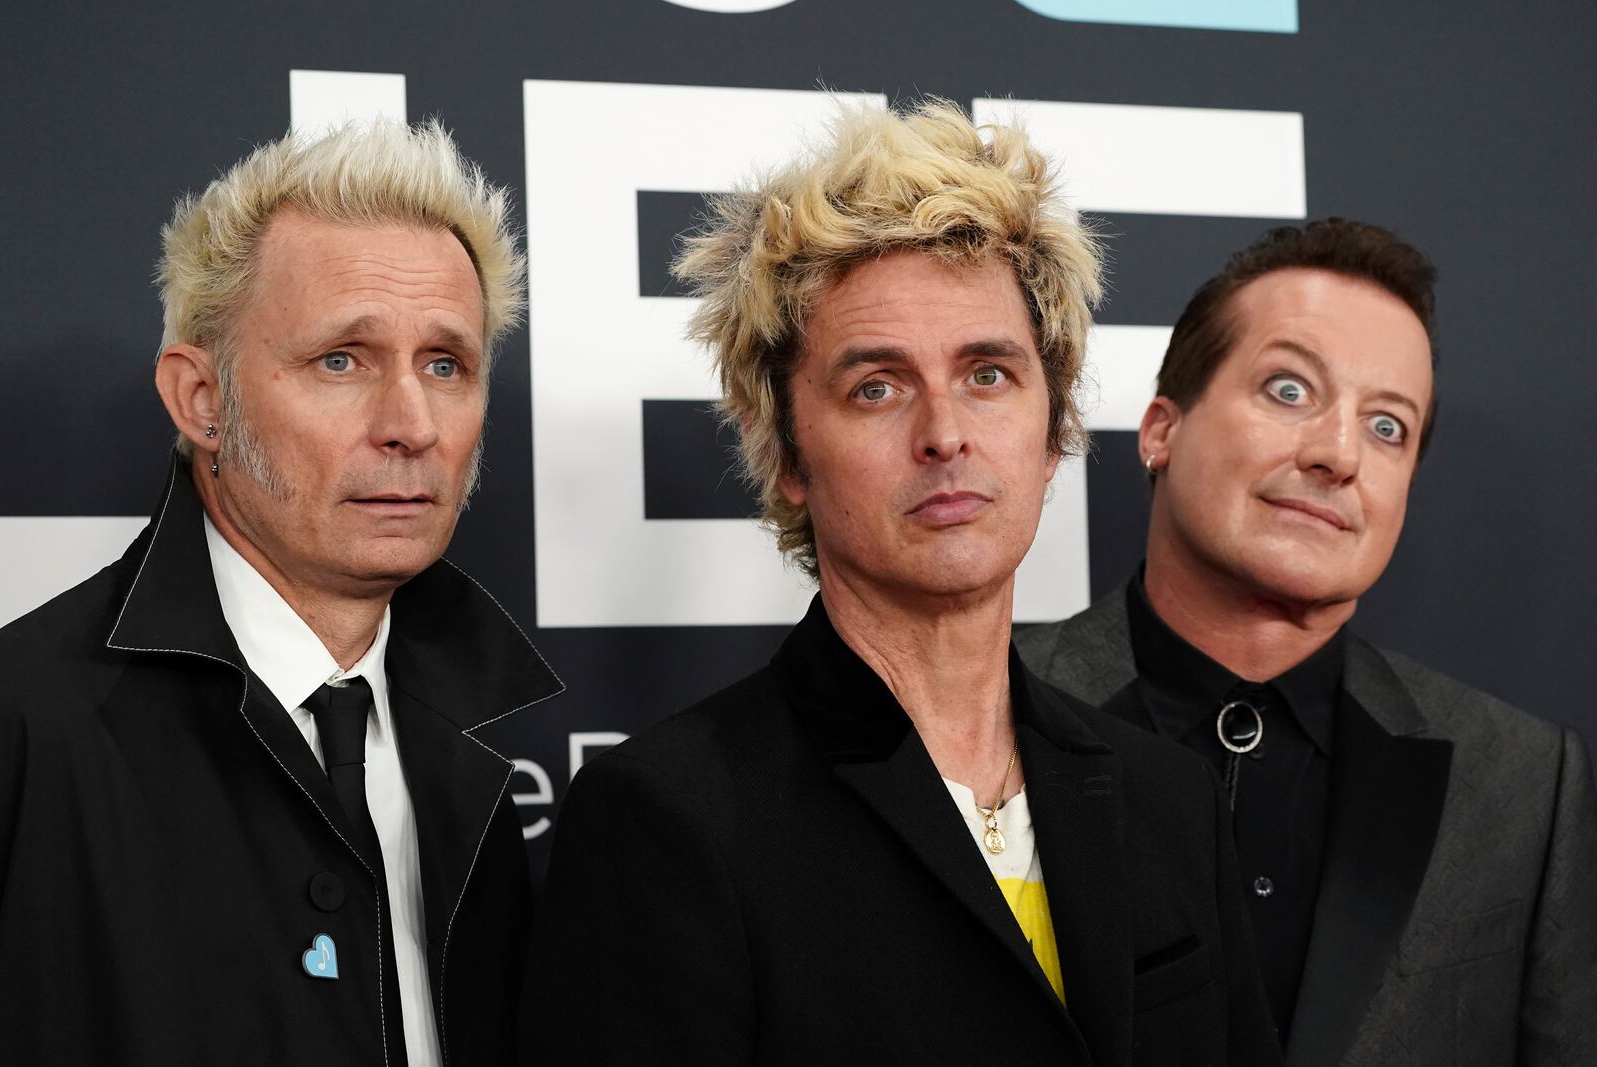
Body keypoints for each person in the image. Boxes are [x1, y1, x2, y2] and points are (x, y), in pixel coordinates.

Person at [528, 99, 1278, 1065]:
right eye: (875, 386)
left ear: (1053, 435)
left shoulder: (1167, 798)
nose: (944, 432)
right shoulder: (668, 818)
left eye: (989, 374)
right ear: (788, 454)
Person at [0, 120, 562, 1065]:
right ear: (200, 400)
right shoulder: (22, 729)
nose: (411, 425)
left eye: (445, 365)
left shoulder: (479, 742)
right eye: (341, 360)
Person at [1018, 218, 1597, 1065]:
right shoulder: (986, 716)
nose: (1338, 454)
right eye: (1289, 390)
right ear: (1160, 431)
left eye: (1387, 427)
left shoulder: (1523, 781)